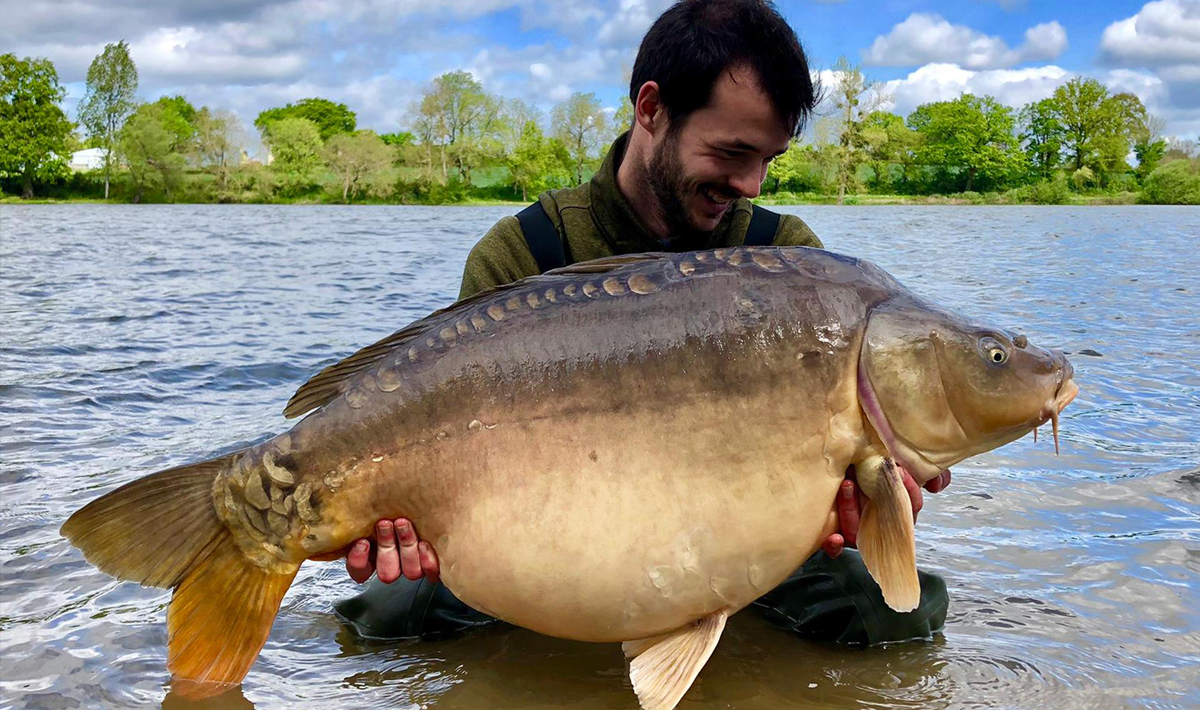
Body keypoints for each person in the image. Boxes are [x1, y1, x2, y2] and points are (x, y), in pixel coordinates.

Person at [335, 0, 951, 646]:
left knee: (889, 616)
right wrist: (407, 523)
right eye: (734, 151)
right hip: (559, 536)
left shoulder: (789, 262)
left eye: (770, 158)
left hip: (742, 544)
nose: (751, 182)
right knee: (389, 616)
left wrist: (881, 502)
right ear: (650, 109)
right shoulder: (522, 254)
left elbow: (845, 476)